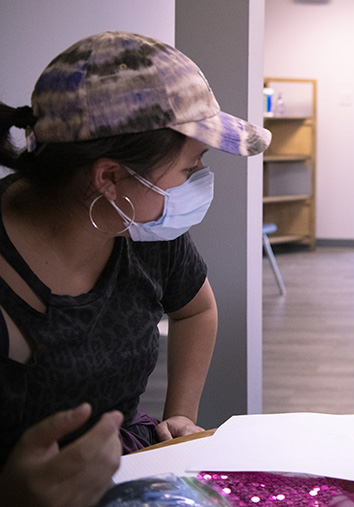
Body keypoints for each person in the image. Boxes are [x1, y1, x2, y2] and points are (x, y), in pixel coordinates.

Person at [0, 31, 271, 502]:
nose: (198, 182)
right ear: (109, 177)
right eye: (190, 168)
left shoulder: (140, 225)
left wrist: (179, 416)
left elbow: (196, 310)